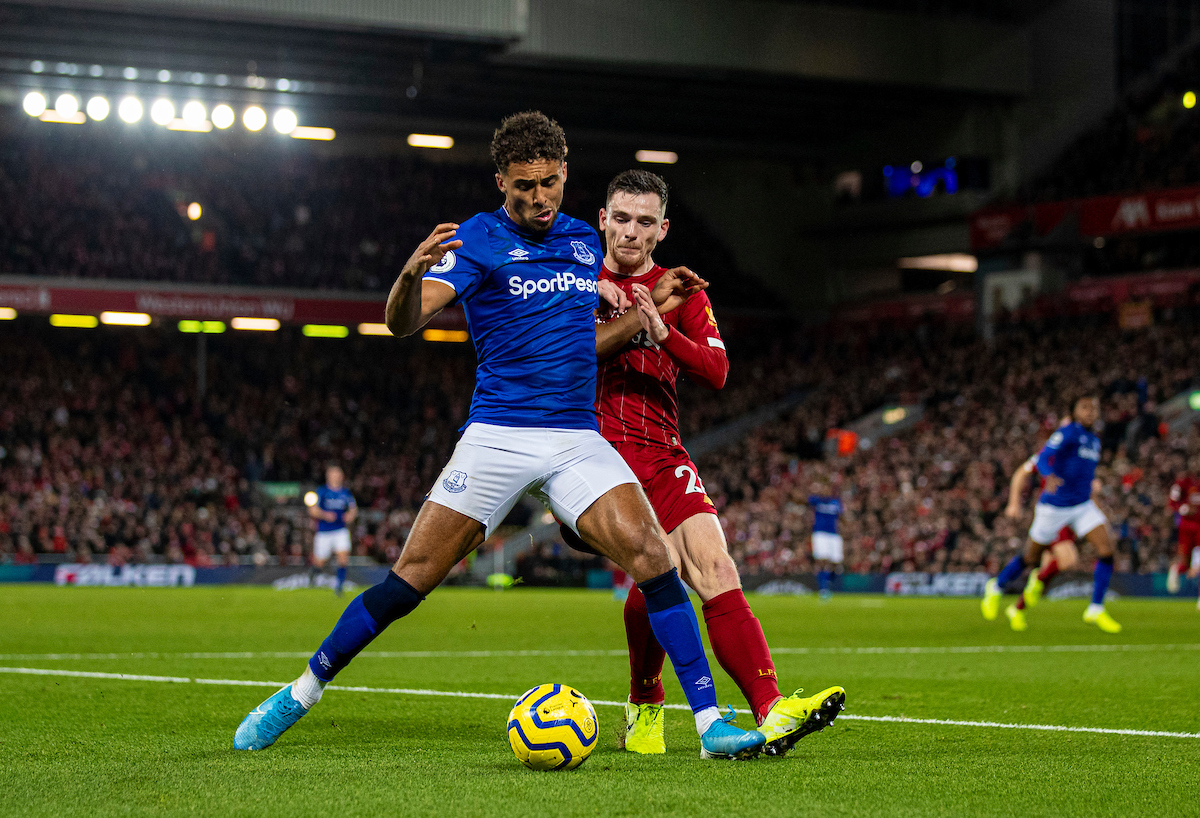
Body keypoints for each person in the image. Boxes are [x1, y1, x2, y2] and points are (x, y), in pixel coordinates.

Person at [233, 112, 766, 760]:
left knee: (656, 558)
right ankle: (299, 692)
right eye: (523, 187)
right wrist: (407, 276)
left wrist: (654, 300)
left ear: (564, 175)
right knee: (410, 581)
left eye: (548, 183)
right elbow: (405, 321)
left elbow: (584, 343)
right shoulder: (478, 241)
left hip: (574, 434)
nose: (538, 199)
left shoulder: (578, 243)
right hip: (497, 434)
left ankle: (710, 726)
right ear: (500, 182)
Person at [563, 168, 843, 757]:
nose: (631, 232)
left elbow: (715, 371)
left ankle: (771, 710)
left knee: (713, 566)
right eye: (621, 218)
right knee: (658, 569)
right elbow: (565, 357)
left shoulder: (683, 288)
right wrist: (635, 319)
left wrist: (663, 332)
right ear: (602, 220)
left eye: (645, 222)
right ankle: (646, 703)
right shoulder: (572, 277)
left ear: (662, 229)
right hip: (592, 455)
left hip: (663, 452)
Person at [982, 396, 1122, 633]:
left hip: (1081, 506)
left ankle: (1095, 608)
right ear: (1073, 413)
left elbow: (1083, 473)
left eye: (1094, 408)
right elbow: (1044, 458)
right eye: (1084, 408)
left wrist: (1094, 495)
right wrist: (1046, 477)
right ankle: (998, 586)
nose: (1090, 412)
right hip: (1054, 507)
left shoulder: (1093, 440)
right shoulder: (1067, 433)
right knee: (1030, 558)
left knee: (1107, 551)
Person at [307, 465, 357, 595]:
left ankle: (339, 587)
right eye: (334, 473)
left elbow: (353, 509)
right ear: (328, 476)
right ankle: (314, 571)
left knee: (343, 558)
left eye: (338, 473)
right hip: (324, 531)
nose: (336, 476)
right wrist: (325, 515)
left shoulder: (345, 493)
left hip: (340, 530)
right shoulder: (321, 491)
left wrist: (350, 516)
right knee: (320, 561)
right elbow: (312, 509)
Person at [1166, 459, 1200, 595]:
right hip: (1186, 527)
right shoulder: (1183, 482)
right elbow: (1172, 502)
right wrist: (1183, 509)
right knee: (1185, 564)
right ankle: (1176, 569)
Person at [807, 487, 844, 602]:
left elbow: (841, 515)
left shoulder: (836, 502)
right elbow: (804, 499)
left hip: (833, 534)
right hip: (820, 533)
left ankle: (828, 583)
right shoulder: (817, 500)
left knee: (835, 562)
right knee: (822, 560)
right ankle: (823, 589)